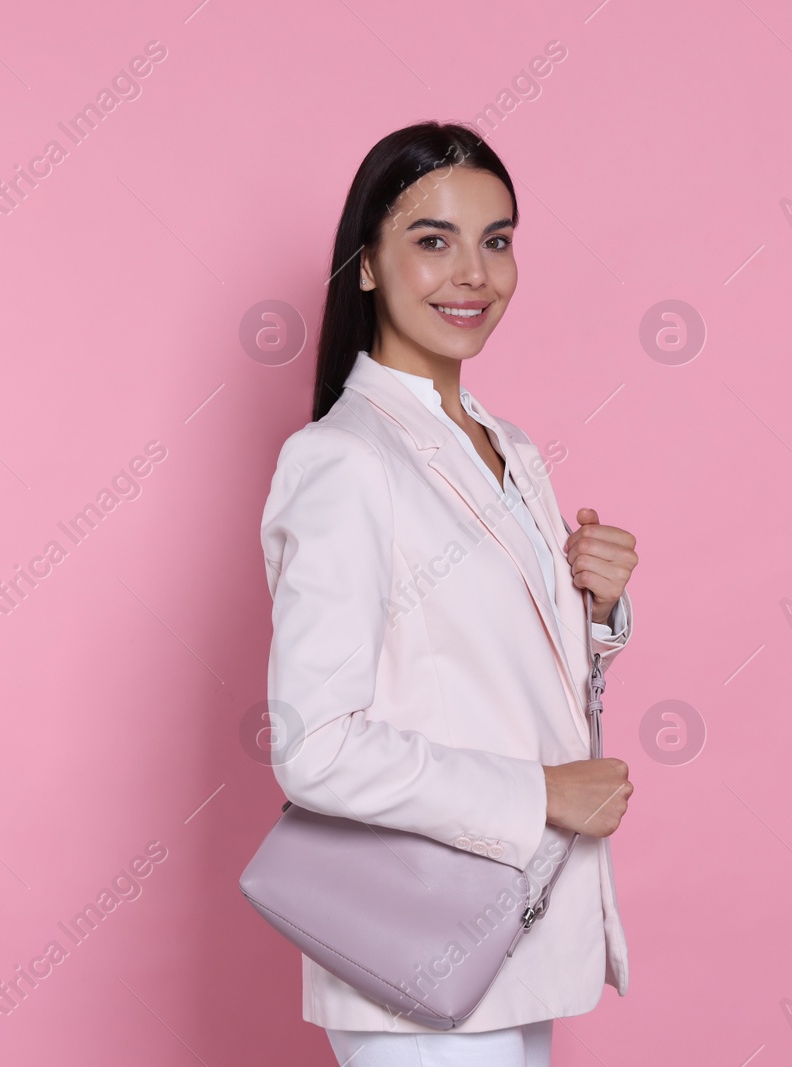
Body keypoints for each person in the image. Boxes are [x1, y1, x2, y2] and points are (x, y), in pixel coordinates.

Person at [259, 121, 640, 1067]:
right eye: (433, 240)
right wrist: (543, 794)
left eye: (497, 240)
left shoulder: (509, 448)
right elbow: (316, 747)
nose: (472, 272)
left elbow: (491, 671)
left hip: (513, 929)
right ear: (366, 266)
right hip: (414, 939)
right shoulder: (343, 461)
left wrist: (597, 607)